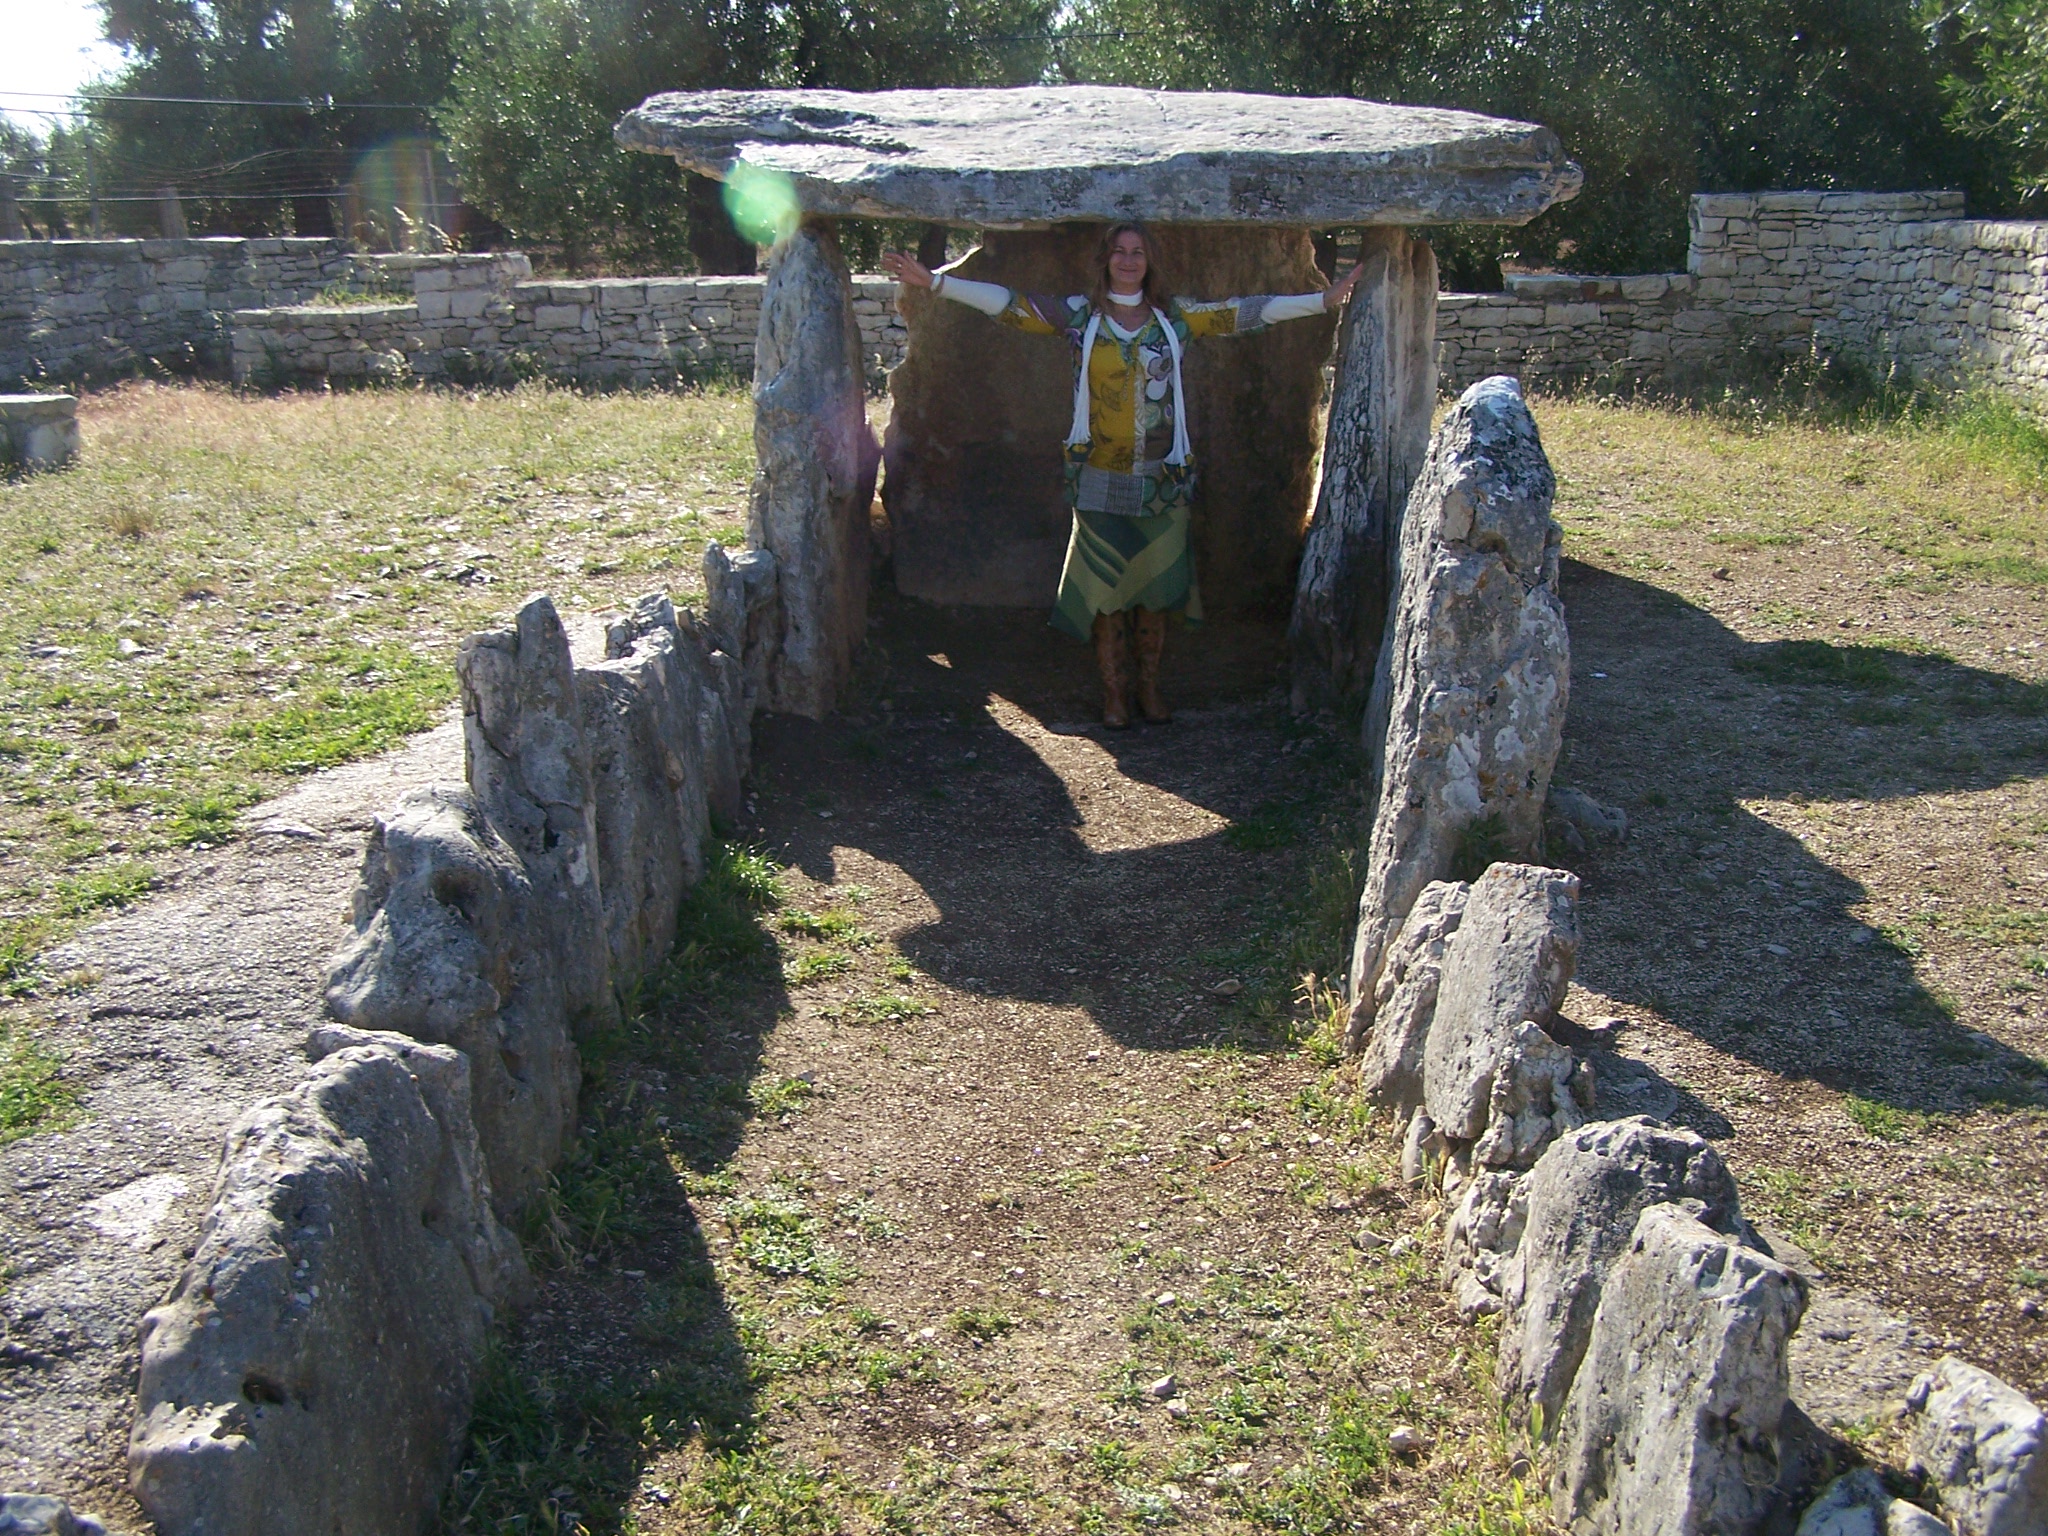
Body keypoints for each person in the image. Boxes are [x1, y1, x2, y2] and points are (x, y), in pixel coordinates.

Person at [882, 223, 1359, 728]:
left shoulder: (1174, 319)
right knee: (1107, 592)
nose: (1128, 260)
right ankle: (1113, 693)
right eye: (1119, 252)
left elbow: (1247, 311)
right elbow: (1008, 302)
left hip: (1163, 477)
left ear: (1149, 261)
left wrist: (1323, 300)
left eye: (1137, 252)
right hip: (1097, 474)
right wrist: (935, 283)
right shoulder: (1080, 317)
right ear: (1106, 260)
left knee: (1156, 589)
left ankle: (1149, 687)